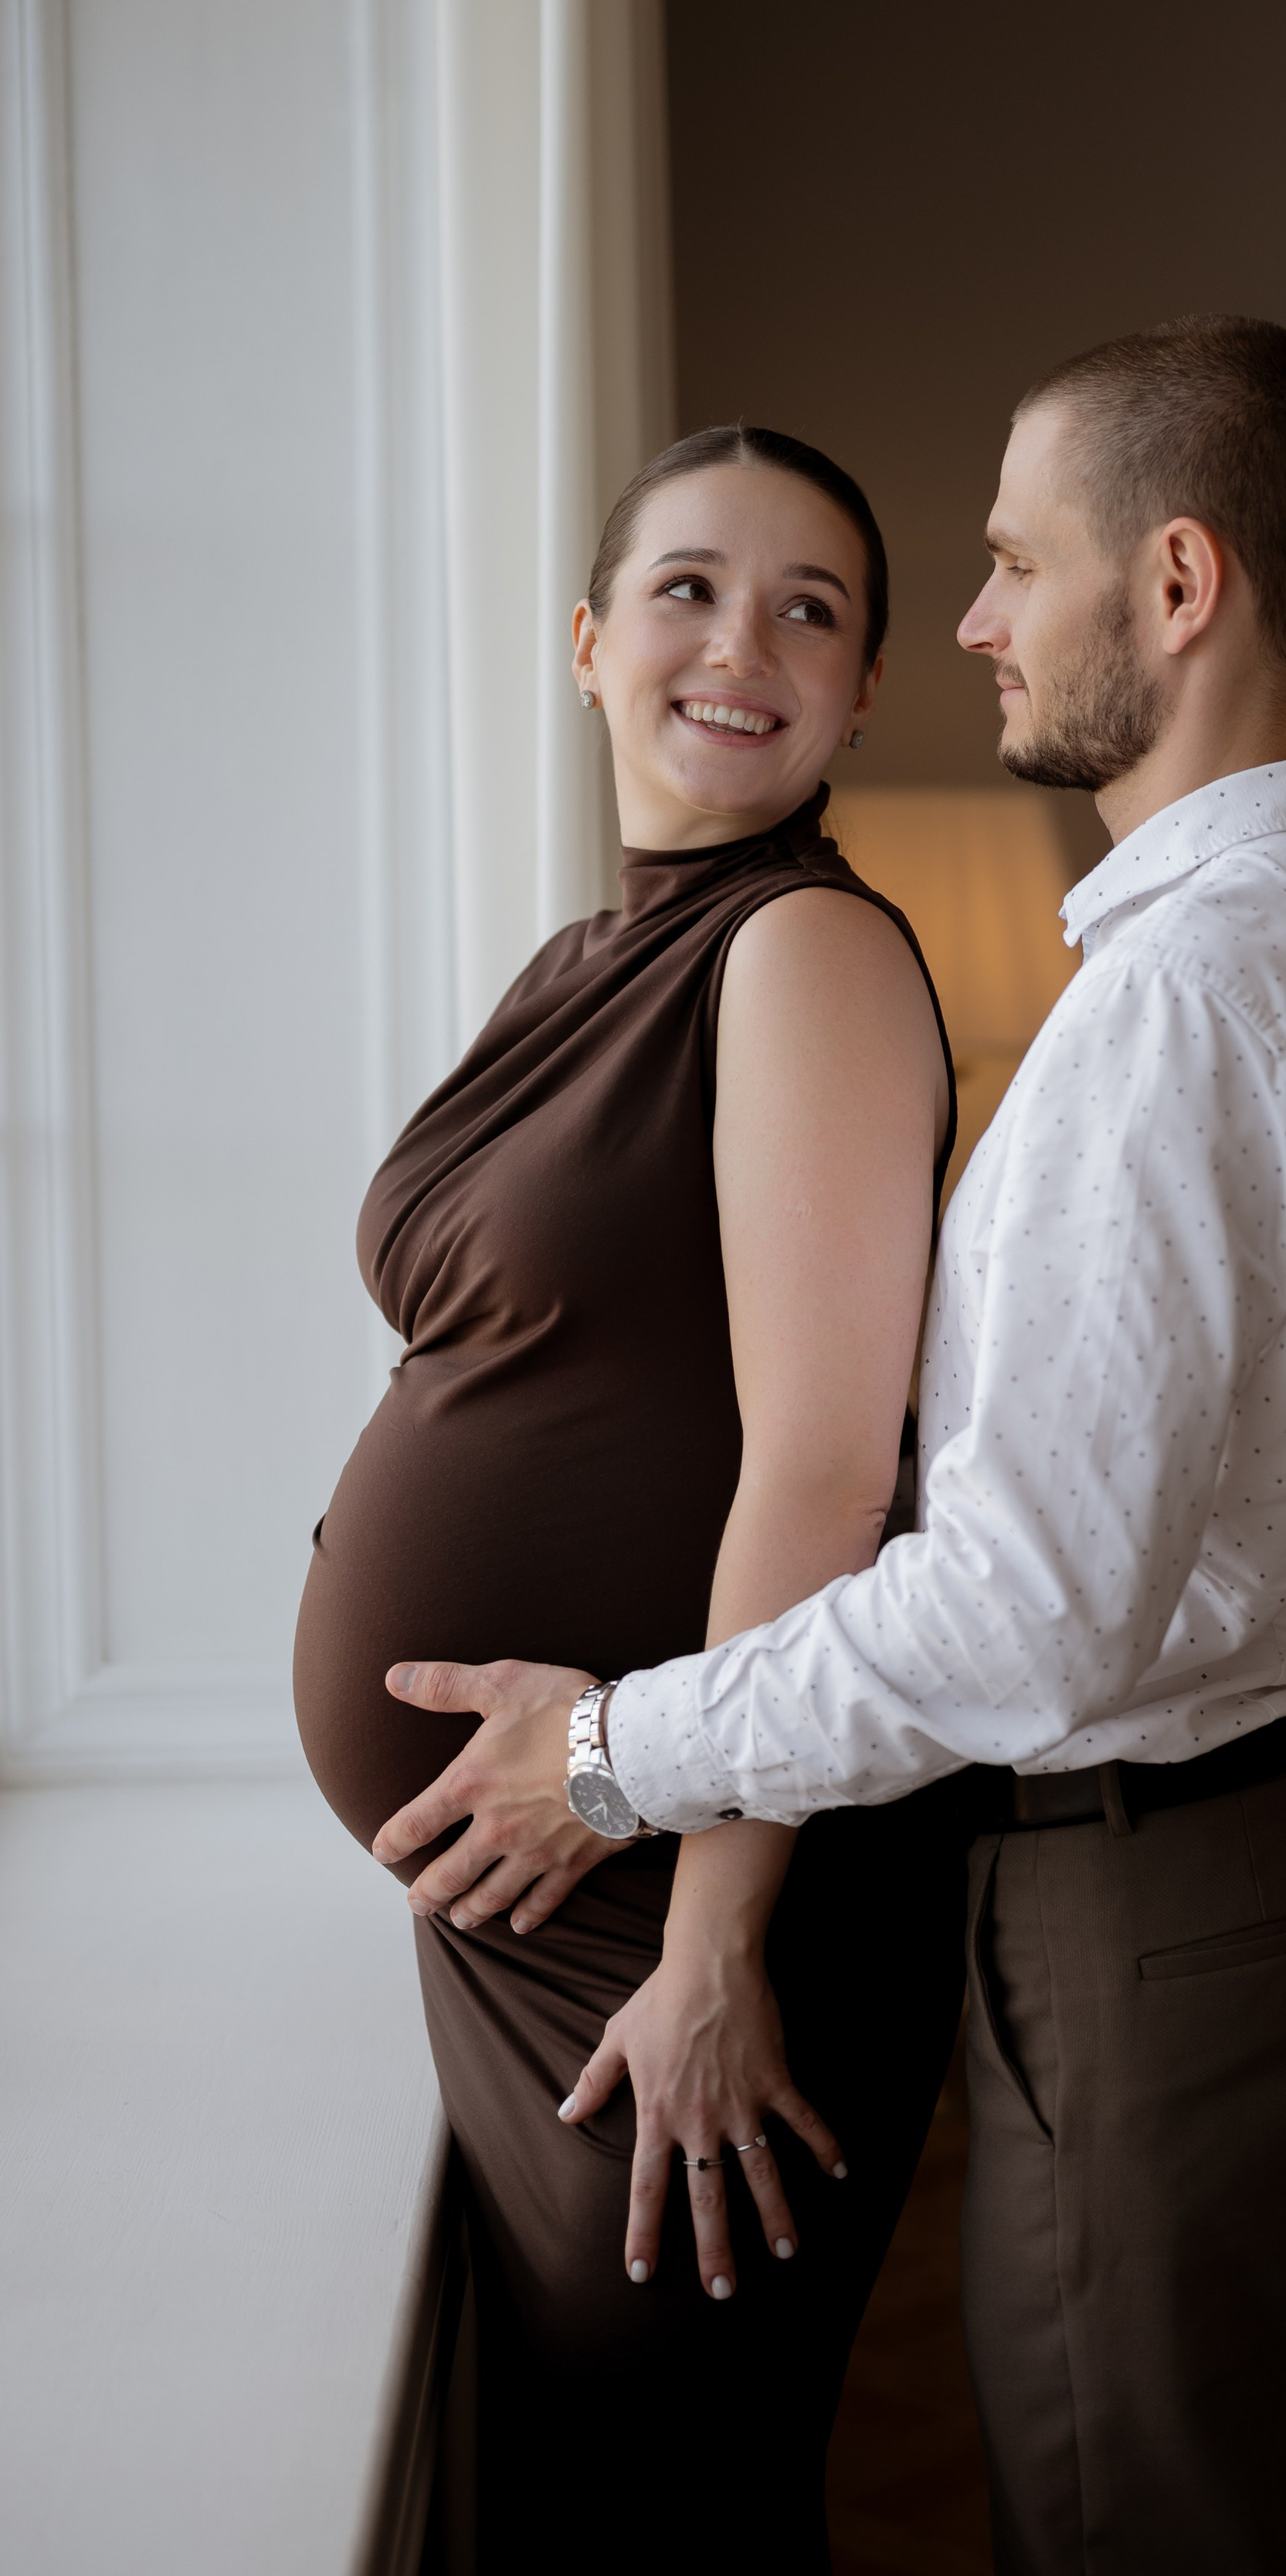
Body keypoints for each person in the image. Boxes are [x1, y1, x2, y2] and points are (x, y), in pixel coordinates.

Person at [382, 316, 1286, 2574]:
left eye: (1013, 564)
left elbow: (1028, 1602)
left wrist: (614, 1752)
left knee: (1138, 2526)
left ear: (1176, 588)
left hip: (1170, 1894)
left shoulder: (1184, 1004)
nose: (976, 622)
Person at [291, 423, 972, 2572]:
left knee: (667, 2491)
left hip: (671, 1898)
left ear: (863, 693)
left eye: (811, 609)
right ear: (591, 644)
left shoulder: (805, 958)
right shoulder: (581, 965)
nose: (739, 645)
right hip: (544, 1880)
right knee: (592, 2489)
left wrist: (707, 1944)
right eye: (687, 589)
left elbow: (822, 1468)